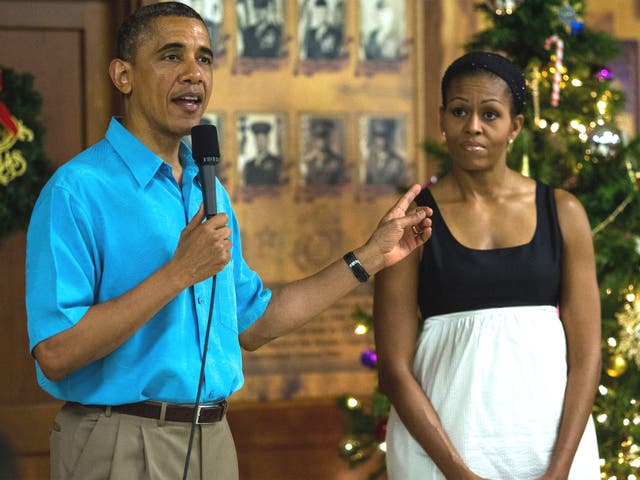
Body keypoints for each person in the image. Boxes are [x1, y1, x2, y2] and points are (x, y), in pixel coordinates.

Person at [24, 3, 432, 479]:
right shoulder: (77, 191)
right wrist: (178, 273)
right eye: (171, 56)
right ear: (123, 75)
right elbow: (55, 353)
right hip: (121, 441)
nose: (193, 73)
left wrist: (369, 257)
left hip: (213, 440)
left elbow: (254, 323)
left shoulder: (207, 189)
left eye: (205, 58)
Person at [373, 51, 602, 480]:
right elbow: (393, 370)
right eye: (459, 111)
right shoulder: (411, 223)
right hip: (440, 456)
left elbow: (587, 355)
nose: (473, 126)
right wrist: (459, 473)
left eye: (490, 114)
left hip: (551, 452)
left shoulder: (564, 212)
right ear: (441, 119)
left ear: (515, 126)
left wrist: (559, 471)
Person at [302, 118, 345, 186]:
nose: (323, 141)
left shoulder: (339, 161)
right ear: (314, 139)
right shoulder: (308, 162)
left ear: (330, 138)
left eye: (326, 136)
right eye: (320, 137)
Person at [365, 118, 405, 186]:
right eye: (376, 137)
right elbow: (367, 182)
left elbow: (401, 185)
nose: (378, 141)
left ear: (387, 139)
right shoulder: (370, 160)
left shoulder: (397, 161)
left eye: (382, 137)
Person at [243, 121, 283, 185]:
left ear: (268, 140)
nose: (260, 143)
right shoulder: (249, 165)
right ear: (255, 141)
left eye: (262, 139)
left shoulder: (277, 162)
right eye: (258, 140)